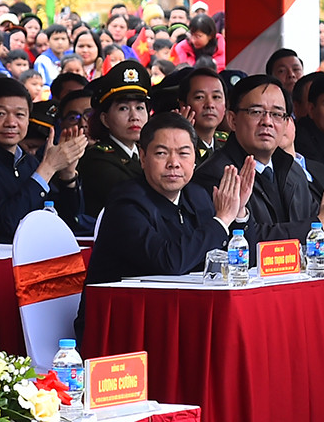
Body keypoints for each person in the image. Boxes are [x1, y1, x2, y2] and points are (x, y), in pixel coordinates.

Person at [87, 112, 255, 290]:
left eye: (183, 153)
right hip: (126, 305)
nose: (173, 163)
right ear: (143, 157)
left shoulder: (197, 195)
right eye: (161, 153)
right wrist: (222, 220)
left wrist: (238, 213)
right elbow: (169, 262)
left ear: (194, 159)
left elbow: (244, 263)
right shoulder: (126, 203)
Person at [199, 74, 324, 241]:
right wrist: (320, 223)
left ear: (287, 123)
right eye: (256, 112)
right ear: (232, 120)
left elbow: (318, 220)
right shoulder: (217, 175)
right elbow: (245, 240)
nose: (267, 122)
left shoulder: (293, 169)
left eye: (277, 114)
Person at [0, 77, 85, 242]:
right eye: (0, 114)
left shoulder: (29, 162)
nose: (11, 123)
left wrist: (67, 176)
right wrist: (48, 168)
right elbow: (5, 224)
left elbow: (68, 220)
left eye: (20, 115)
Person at [77, 62, 153, 218]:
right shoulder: (97, 159)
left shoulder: (146, 152)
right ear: (105, 119)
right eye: (123, 108)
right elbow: (136, 195)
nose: (134, 117)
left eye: (140, 108)